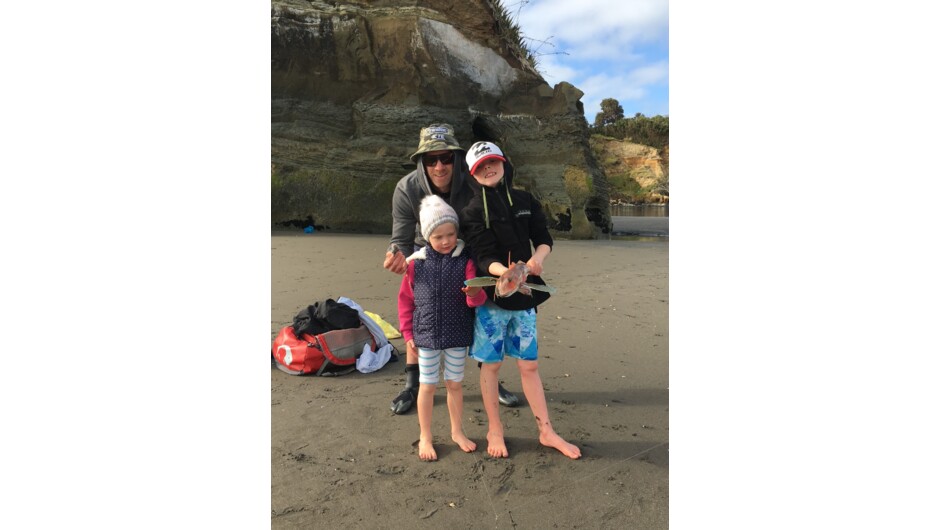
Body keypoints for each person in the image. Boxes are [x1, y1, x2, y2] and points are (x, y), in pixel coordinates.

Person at [383, 124, 520, 414]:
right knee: (421, 312)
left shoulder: (472, 182)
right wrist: (396, 254)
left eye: (446, 157)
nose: (440, 165)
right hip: (426, 254)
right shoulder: (407, 188)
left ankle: (491, 379)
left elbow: (493, 215)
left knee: (481, 313)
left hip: (470, 251)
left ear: (457, 159)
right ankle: (412, 384)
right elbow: (401, 239)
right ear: (421, 161)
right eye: (431, 159)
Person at [459, 141, 581, 460]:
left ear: (503, 163)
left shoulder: (525, 199)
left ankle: (546, 430)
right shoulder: (471, 210)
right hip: (493, 297)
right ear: (473, 172)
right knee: (492, 364)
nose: (489, 168)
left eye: (493, 162)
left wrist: (537, 260)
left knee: (530, 364)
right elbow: (483, 255)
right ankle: (494, 429)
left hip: (526, 294)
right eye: (481, 166)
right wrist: (507, 273)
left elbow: (543, 238)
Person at [398, 195, 486, 460]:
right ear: (427, 237)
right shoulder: (415, 264)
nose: (446, 241)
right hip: (425, 336)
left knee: (455, 384)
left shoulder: (466, 260)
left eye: (450, 234)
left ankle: (457, 431)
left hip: (458, 334)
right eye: (438, 236)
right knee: (427, 386)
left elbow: (478, 300)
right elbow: (405, 301)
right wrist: (407, 333)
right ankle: (426, 436)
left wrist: (473, 292)